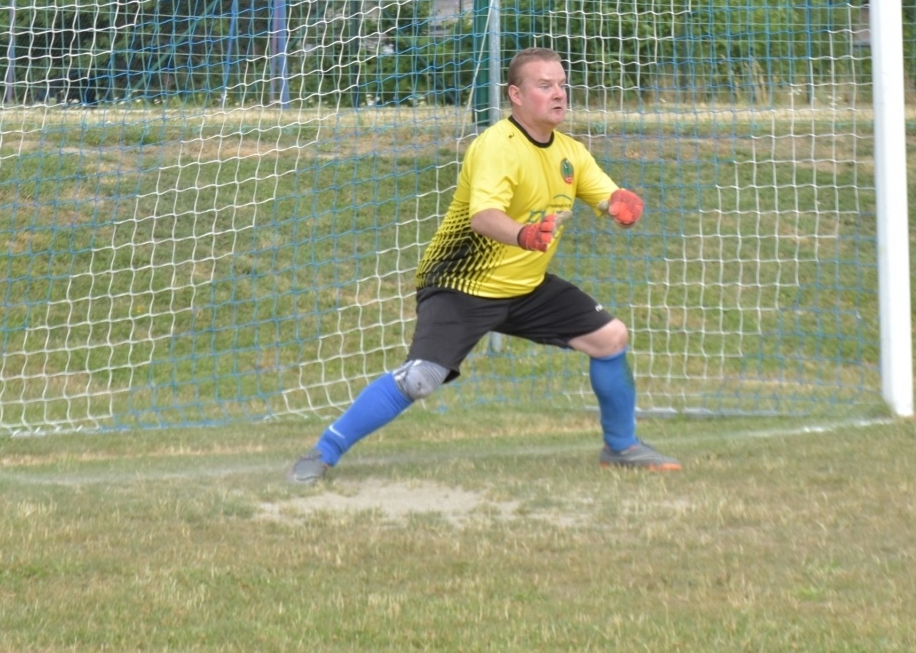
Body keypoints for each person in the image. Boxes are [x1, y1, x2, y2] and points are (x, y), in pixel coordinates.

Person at [289, 47, 681, 484]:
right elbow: (484, 217)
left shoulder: (571, 152)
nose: (559, 94)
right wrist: (524, 234)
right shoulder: (497, 146)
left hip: (525, 286)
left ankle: (621, 447)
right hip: (461, 284)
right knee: (421, 379)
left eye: (562, 85)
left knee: (610, 338)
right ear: (516, 94)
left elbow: (607, 197)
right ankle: (322, 453)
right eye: (544, 85)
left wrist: (621, 206)